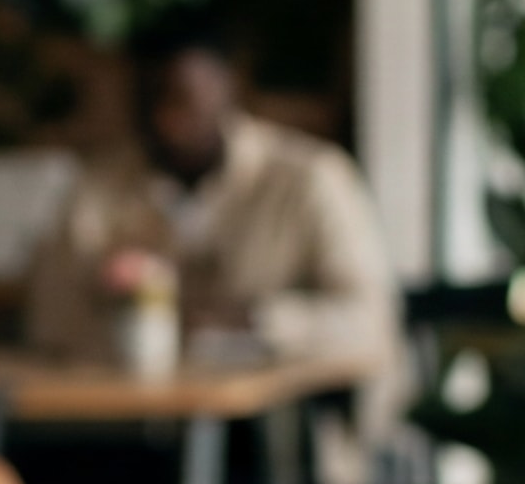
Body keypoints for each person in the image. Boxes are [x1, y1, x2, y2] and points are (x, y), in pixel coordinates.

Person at [28, 19, 397, 394]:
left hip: (276, 428)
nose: (164, 119)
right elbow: (52, 320)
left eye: (181, 97)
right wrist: (144, 327)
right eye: (146, 99)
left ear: (227, 85)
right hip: (127, 421)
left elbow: (371, 321)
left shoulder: (308, 178)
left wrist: (260, 321)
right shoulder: (98, 185)